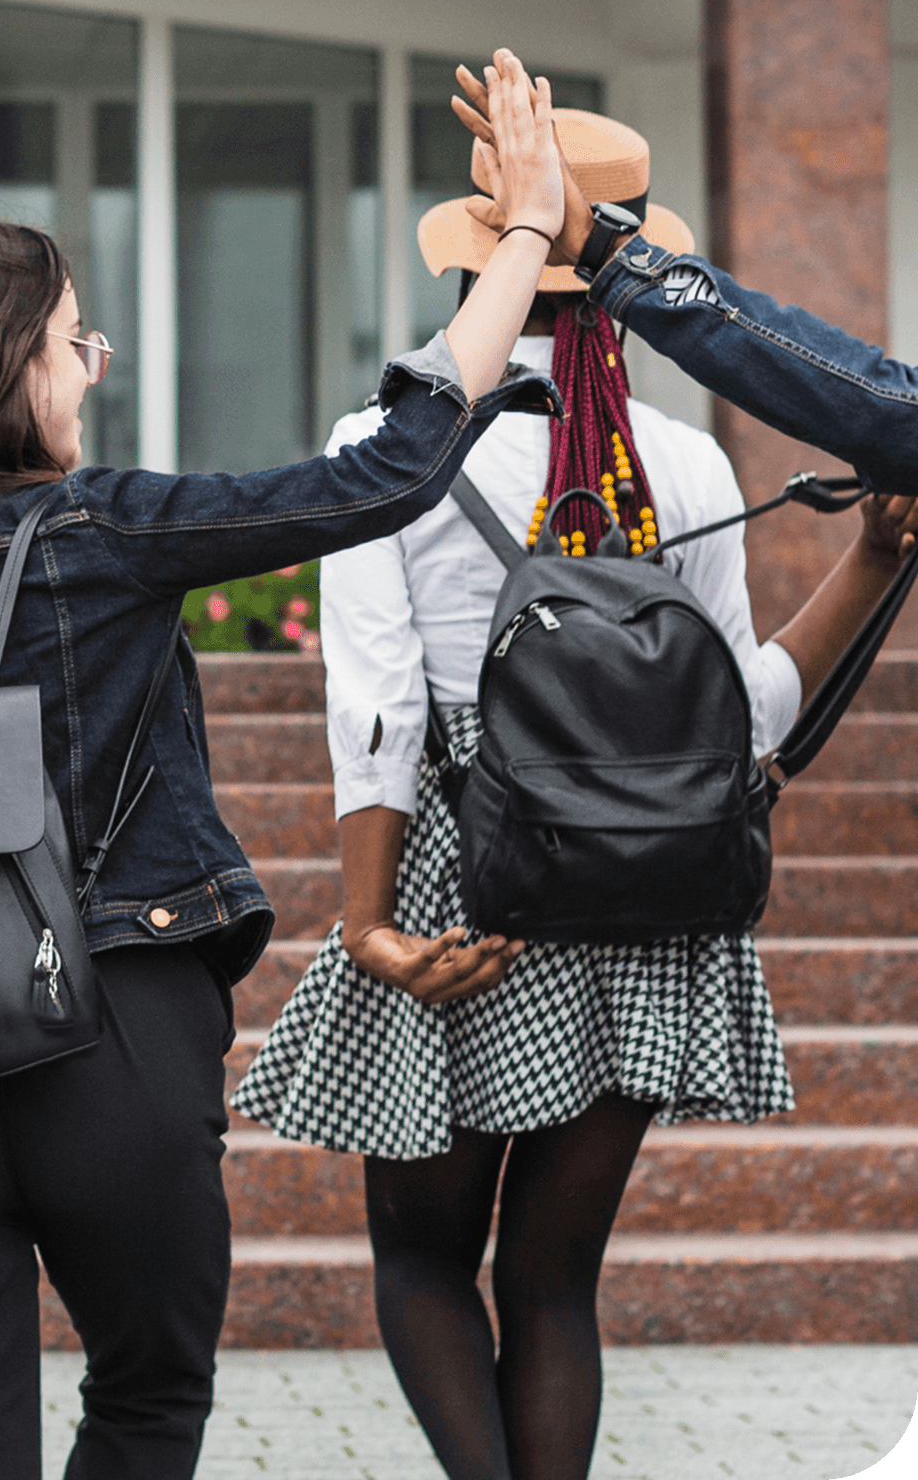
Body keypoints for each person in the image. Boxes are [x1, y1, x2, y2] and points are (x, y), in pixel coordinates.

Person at [0, 53, 570, 1480]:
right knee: (149, 1396)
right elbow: (388, 472)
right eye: (75, 342)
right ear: (7, 367)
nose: (90, 368)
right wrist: (530, 231)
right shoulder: (102, 530)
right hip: (112, 1028)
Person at [233, 107, 911, 1480]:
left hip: (462, 885)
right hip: (646, 897)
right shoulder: (688, 463)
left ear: (472, 266)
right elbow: (741, 731)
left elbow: (377, 709)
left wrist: (367, 922)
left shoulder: (390, 443)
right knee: (556, 1283)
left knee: (423, 1261)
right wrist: (872, 565)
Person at [452, 63, 918, 491]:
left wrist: (599, 248)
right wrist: (602, 249)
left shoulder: (425, 441)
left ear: (476, 268)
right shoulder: (695, 465)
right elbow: (880, 413)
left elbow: (882, 413)